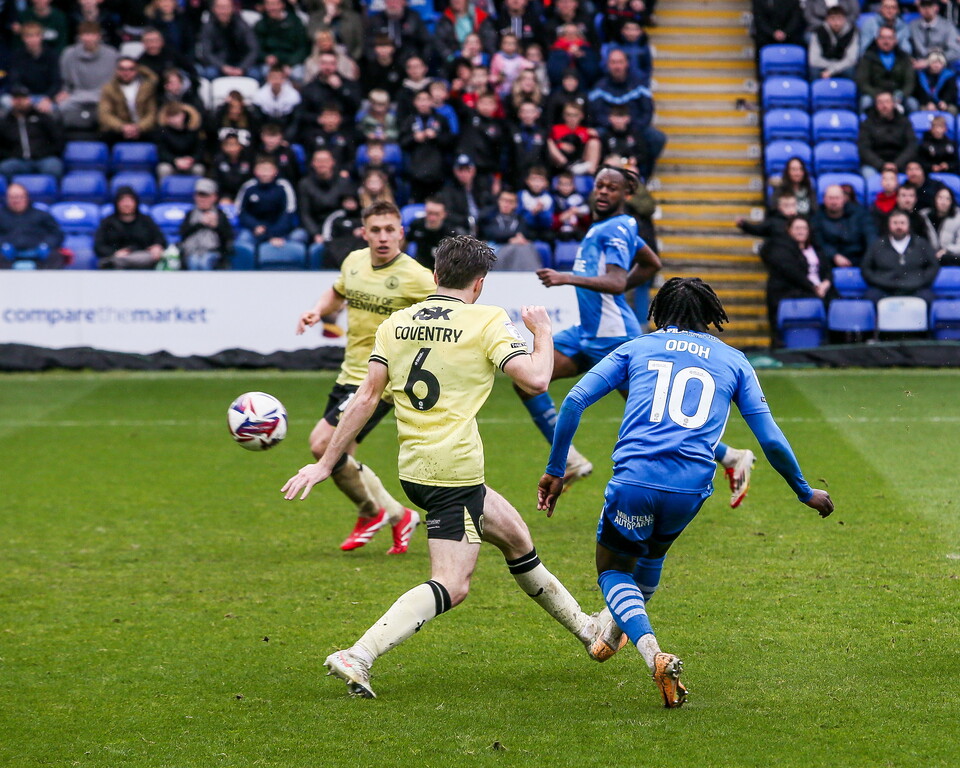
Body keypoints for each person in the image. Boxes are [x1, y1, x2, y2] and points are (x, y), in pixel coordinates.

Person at [283, 235, 630, 698]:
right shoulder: (486, 320)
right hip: (451, 472)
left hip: (415, 465)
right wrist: (542, 332)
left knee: (516, 537)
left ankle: (587, 630)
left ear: (435, 273)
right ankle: (357, 655)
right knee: (452, 583)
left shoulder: (397, 322)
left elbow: (365, 398)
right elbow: (537, 378)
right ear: (479, 283)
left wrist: (327, 462)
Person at [536, 277, 834, 709]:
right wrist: (804, 491)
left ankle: (653, 655)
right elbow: (770, 439)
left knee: (613, 570)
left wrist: (556, 470)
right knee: (652, 557)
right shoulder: (733, 360)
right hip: (691, 489)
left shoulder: (638, 347)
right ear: (710, 316)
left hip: (635, 482)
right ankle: (611, 636)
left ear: (658, 313)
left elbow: (575, 401)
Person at [293, 201, 436, 553]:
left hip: (380, 381)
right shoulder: (354, 262)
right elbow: (337, 292)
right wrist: (316, 310)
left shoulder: (417, 276)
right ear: (364, 233)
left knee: (322, 444)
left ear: (401, 232)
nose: (383, 237)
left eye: (390, 229)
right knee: (345, 457)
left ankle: (372, 511)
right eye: (376, 230)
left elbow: (451, 309)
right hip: (348, 373)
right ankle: (397, 515)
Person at [759, 216, 832, 344]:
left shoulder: (816, 248)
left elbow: (827, 269)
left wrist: (826, 283)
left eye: (804, 228)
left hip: (818, 289)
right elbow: (792, 272)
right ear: (789, 230)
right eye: (797, 228)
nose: (801, 231)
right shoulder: (781, 247)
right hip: (790, 290)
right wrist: (814, 288)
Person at [861, 209, 940, 304]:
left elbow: (933, 265)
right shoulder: (877, 245)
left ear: (908, 225)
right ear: (889, 224)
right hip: (885, 289)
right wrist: (879, 281)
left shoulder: (921, 244)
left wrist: (921, 280)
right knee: (870, 297)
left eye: (902, 223)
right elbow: (866, 267)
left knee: (929, 298)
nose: (899, 226)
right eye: (895, 223)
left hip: (915, 288)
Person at [235, 155, 306, 253]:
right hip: (256, 230)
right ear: (255, 171)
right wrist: (255, 226)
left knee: (299, 235)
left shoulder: (284, 186)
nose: (265, 173)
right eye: (261, 170)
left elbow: (288, 212)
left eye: (268, 170)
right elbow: (241, 212)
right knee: (243, 239)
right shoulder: (248, 187)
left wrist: (272, 235)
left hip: (281, 231)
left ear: (275, 171)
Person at [56, 21, 119, 132]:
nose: (88, 38)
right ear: (79, 37)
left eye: (92, 34)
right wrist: (64, 91)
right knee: (60, 108)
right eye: (85, 34)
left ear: (99, 36)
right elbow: (65, 81)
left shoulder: (112, 54)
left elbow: (115, 81)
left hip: (104, 96)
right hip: (76, 95)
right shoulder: (68, 54)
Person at [94, 186, 166, 269]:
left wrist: (157, 247)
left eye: (130, 201)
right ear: (116, 203)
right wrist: (115, 253)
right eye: (122, 201)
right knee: (113, 260)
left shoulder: (146, 220)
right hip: (116, 258)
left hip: (142, 259)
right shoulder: (107, 222)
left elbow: (160, 239)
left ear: (136, 202)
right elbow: (98, 246)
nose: (126, 204)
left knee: (145, 258)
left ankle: (117, 261)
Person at [0, 87, 65, 179]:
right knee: (5, 168)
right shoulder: (5, 122)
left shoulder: (43, 117)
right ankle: (12, 190)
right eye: (16, 99)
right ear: (12, 101)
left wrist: (46, 153)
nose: (20, 101)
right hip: (17, 160)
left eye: (23, 98)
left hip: (43, 159)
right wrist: (12, 155)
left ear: (29, 99)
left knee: (53, 168)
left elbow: (58, 139)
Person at [0, 183, 65, 268]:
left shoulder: (42, 215)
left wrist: (47, 244)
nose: (16, 200)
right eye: (12, 197)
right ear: (7, 198)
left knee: (55, 257)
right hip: (7, 255)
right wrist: (2, 244)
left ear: (26, 197)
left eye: (19, 197)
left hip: (38, 254)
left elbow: (57, 234)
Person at [812, 184, 877, 267]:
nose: (834, 202)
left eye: (837, 198)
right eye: (830, 198)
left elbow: (870, 236)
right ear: (824, 199)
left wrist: (869, 257)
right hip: (829, 261)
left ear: (844, 199)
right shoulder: (816, 218)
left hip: (859, 258)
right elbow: (818, 241)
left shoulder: (860, 214)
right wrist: (834, 256)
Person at [97, 57, 159, 145]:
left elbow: (151, 113)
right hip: (118, 129)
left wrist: (139, 127)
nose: (126, 72)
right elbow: (105, 114)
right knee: (104, 135)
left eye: (131, 69)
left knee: (158, 135)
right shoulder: (108, 89)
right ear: (117, 71)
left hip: (142, 129)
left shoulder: (147, 88)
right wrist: (122, 127)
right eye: (122, 69)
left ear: (137, 70)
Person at [857, 91, 918, 179]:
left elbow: (912, 145)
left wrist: (897, 164)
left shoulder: (904, 122)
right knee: (869, 175)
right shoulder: (867, 123)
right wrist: (881, 165)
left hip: (900, 163)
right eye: (880, 102)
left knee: (915, 173)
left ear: (893, 103)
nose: (884, 105)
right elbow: (864, 148)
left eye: (887, 102)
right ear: (876, 105)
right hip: (875, 165)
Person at [480, 188, 543, 271]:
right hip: (496, 253)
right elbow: (492, 233)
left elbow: (525, 234)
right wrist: (510, 239)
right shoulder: (490, 218)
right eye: (504, 200)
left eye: (510, 202)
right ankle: (534, 275)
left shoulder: (520, 220)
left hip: (516, 252)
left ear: (515, 205)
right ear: (499, 201)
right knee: (520, 248)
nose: (506, 204)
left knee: (526, 247)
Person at [177, 178, 233, 270]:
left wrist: (216, 227)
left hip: (213, 251)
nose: (201, 199)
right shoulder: (190, 214)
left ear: (214, 197)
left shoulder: (220, 214)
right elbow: (183, 234)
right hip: (191, 251)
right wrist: (200, 224)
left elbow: (228, 237)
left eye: (205, 195)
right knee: (194, 261)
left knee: (204, 261)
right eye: (199, 195)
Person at [856, 26, 916, 112]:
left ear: (895, 40)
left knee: (912, 104)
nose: (886, 41)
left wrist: (901, 95)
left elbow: (910, 82)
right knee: (865, 102)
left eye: (889, 38)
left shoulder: (904, 57)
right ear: (877, 40)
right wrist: (877, 95)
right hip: (875, 95)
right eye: (882, 38)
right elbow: (862, 82)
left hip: (898, 96)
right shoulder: (867, 57)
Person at [197, 0, 260, 80]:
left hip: (241, 63)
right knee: (209, 73)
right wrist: (223, 67)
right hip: (219, 65)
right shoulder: (208, 27)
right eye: (220, 8)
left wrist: (242, 67)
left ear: (232, 8)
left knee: (255, 74)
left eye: (226, 7)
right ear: (213, 9)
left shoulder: (242, 25)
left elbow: (253, 49)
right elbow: (207, 53)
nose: (223, 11)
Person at [255, 0, 310, 82]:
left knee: (298, 75)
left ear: (282, 5)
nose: (272, 8)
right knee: (263, 73)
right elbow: (256, 48)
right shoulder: (260, 24)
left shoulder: (295, 22)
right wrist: (265, 57)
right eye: (268, 5)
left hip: (291, 62)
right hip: (270, 63)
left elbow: (303, 48)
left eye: (274, 4)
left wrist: (290, 64)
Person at [406, 196, 463, 271]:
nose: (432, 218)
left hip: (441, 271)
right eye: (429, 213)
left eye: (436, 214)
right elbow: (404, 243)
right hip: (419, 268)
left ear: (444, 214)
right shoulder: (417, 224)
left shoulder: (451, 233)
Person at [808, 6, 859, 81]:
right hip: (823, 64)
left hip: (843, 65)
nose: (836, 23)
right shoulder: (818, 32)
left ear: (844, 19)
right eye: (832, 19)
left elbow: (851, 59)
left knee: (850, 70)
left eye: (839, 19)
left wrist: (832, 70)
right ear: (827, 19)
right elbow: (814, 60)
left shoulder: (852, 32)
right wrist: (831, 67)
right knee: (814, 70)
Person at [909, 0, 960, 70]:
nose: (926, 9)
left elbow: (956, 51)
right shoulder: (912, 26)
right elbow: (905, 46)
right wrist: (909, 58)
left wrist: (931, 61)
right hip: (918, 65)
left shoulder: (948, 26)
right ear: (919, 8)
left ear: (936, 8)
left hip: (943, 64)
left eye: (930, 5)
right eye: (923, 6)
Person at [921, 185, 960, 266]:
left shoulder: (958, 217)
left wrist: (946, 250)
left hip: (951, 256)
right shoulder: (923, 216)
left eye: (947, 199)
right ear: (935, 199)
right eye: (940, 198)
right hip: (929, 256)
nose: (943, 202)